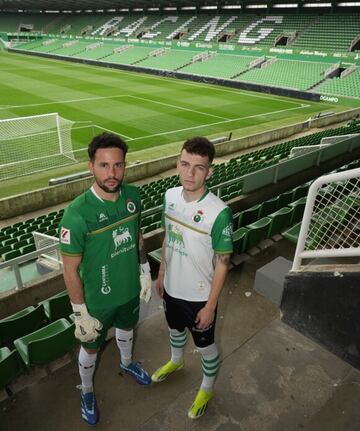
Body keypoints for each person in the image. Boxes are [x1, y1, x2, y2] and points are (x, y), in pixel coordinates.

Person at [59, 132, 152, 426]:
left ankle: (126, 363)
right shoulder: (76, 215)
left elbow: (137, 236)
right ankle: (86, 390)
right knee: (91, 348)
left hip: (128, 290)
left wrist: (144, 270)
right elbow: (69, 270)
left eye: (118, 165)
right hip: (96, 302)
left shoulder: (134, 197)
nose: (112, 173)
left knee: (128, 329)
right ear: (91, 167)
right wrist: (79, 312)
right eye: (104, 165)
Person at [152, 136, 233, 419]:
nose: (190, 173)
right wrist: (162, 272)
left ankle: (207, 387)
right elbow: (167, 237)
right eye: (185, 164)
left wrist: (210, 306)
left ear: (209, 171)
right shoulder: (169, 197)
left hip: (199, 297)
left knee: (206, 347)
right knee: (174, 330)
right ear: (177, 164)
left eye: (199, 167)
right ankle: (175, 361)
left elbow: (223, 263)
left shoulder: (219, 212)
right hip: (172, 289)